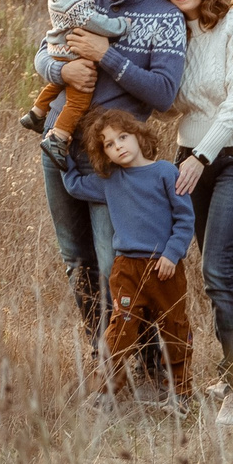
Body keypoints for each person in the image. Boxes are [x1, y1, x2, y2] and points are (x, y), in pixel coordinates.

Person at [35, 0, 186, 360]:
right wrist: (61, 71)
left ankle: (148, 365)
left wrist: (107, 55)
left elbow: (162, 92)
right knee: (75, 259)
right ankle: (105, 358)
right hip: (60, 144)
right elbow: (43, 53)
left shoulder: (163, 15)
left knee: (112, 264)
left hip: (113, 158)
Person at [148, 0, 233, 427]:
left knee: (221, 269)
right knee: (206, 272)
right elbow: (170, 102)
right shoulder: (178, 35)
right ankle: (229, 373)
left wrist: (202, 153)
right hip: (190, 158)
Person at [61, 108, 195, 410]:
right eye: (108, 144)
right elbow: (74, 185)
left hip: (165, 269)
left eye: (122, 137)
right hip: (126, 270)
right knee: (119, 329)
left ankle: (180, 394)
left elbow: (185, 220)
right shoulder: (110, 181)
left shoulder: (165, 172)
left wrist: (172, 255)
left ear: (138, 135)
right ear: (104, 153)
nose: (118, 145)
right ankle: (106, 393)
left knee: (174, 328)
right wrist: (63, 154)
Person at [18, 0, 131, 171]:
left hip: (60, 49)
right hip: (72, 53)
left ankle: (36, 113)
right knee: (79, 98)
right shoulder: (73, 5)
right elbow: (96, 22)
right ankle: (57, 138)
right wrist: (122, 26)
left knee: (60, 82)